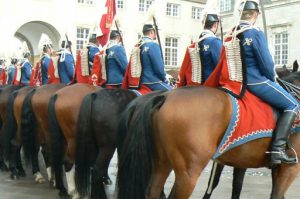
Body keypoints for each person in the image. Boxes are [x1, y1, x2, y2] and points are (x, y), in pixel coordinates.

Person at [235, 0, 299, 164]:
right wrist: (273, 79)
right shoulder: (255, 33)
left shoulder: (234, 33)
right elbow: (266, 64)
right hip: (257, 82)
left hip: (237, 82)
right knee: (293, 104)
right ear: (255, 15)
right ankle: (277, 149)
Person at [177, 12, 222, 87]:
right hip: (211, 87)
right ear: (215, 25)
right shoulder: (214, 41)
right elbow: (221, 66)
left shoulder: (194, 44)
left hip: (195, 86)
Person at [139, 24, 172, 91]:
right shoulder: (153, 45)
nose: (156, 34)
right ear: (151, 32)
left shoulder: (139, 45)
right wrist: (164, 78)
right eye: (155, 32)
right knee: (173, 93)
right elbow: (159, 68)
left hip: (141, 81)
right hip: (152, 81)